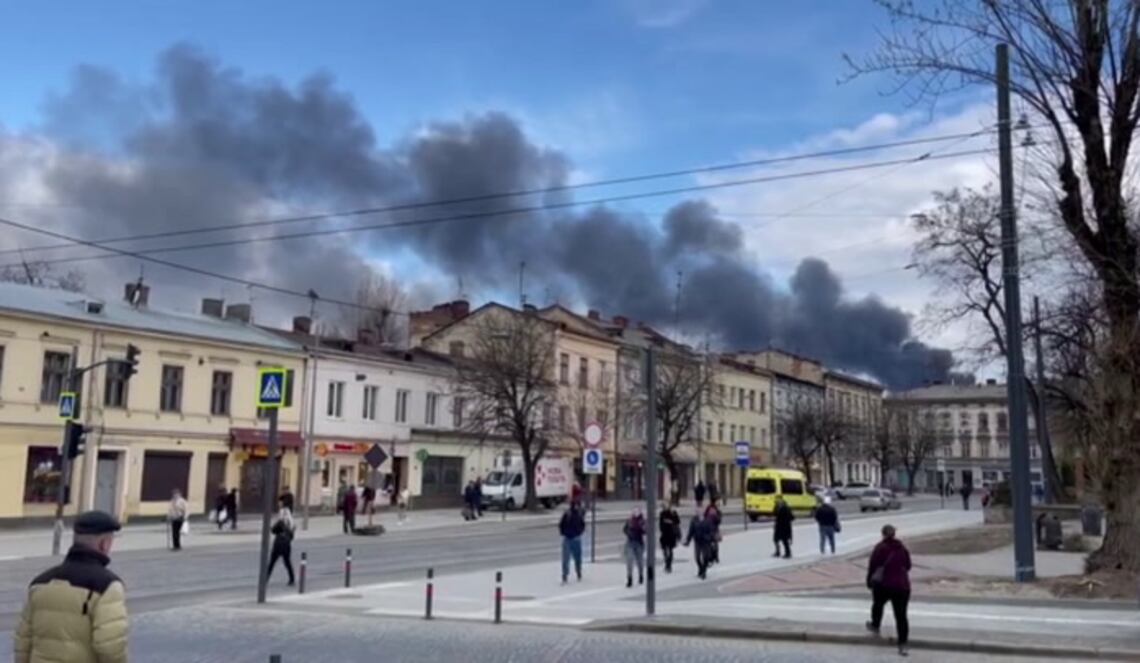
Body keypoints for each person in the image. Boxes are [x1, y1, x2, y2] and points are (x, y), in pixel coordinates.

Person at [15, 511, 128, 663]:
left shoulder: (39, 583)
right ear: (104, 544)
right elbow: (110, 647)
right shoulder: (107, 586)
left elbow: (23, 640)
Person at [866, 524, 913, 656]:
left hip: (883, 585)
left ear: (883, 534)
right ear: (894, 534)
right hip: (902, 586)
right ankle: (903, 644)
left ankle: (875, 625)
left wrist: (869, 581)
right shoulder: (902, 548)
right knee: (901, 616)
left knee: (878, 604)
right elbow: (908, 565)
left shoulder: (879, 548)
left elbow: (873, 566)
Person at [267, 499, 296, 586]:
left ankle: (265, 578)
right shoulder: (290, 519)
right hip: (286, 544)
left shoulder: (281, 519)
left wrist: (272, 527)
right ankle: (292, 578)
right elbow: (292, 533)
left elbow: (273, 530)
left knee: (272, 562)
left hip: (278, 543)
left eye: (280, 503)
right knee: (287, 562)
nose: (279, 504)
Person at [558, 501, 586, 584]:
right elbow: (582, 525)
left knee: (567, 558)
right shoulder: (575, 514)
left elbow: (561, 525)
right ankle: (575, 573)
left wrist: (564, 533)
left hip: (569, 538)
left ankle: (567, 575)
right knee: (576, 558)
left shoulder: (569, 514)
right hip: (574, 538)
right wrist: (579, 532)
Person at [684, 510, 714, 580]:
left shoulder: (708, 520)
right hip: (697, 541)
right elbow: (691, 531)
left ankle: (704, 572)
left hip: (706, 541)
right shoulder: (694, 520)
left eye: (700, 511)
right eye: (697, 511)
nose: (699, 512)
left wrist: (710, 538)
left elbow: (711, 531)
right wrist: (688, 540)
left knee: (705, 557)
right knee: (697, 557)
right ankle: (701, 568)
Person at [622, 508, 646, 588]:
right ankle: (630, 578)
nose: (635, 514)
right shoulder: (629, 521)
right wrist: (629, 533)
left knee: (640, 562)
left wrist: (642, 527)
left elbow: (645, 531)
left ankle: (641, 575)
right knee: (630, 561)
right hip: (630, 543)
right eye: (634, 513)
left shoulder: (642, 521)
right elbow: (624, 529)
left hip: (639, 543)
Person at [659, 503, 682, 573]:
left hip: (671, 534)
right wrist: (663, 528)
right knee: (664, 550)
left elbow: (678, 521)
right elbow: (660, 524)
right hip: (664, 534)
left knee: (670, 550)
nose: (665, 507)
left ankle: (669, 565)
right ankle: (667, 562)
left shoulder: (673, 513)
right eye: (664, 506)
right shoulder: (662, 513)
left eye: (666, 506)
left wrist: (671, 521)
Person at [704, 500, 723, 565]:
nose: (718, 503)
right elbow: (718, 520)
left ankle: (714, 557)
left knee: (713, 544)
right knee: (713, 544)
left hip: (712, 529)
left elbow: (718, 520)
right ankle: (713, 557)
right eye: (717, 502)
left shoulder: (713, 510)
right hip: (712, 529)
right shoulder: (712, 509)